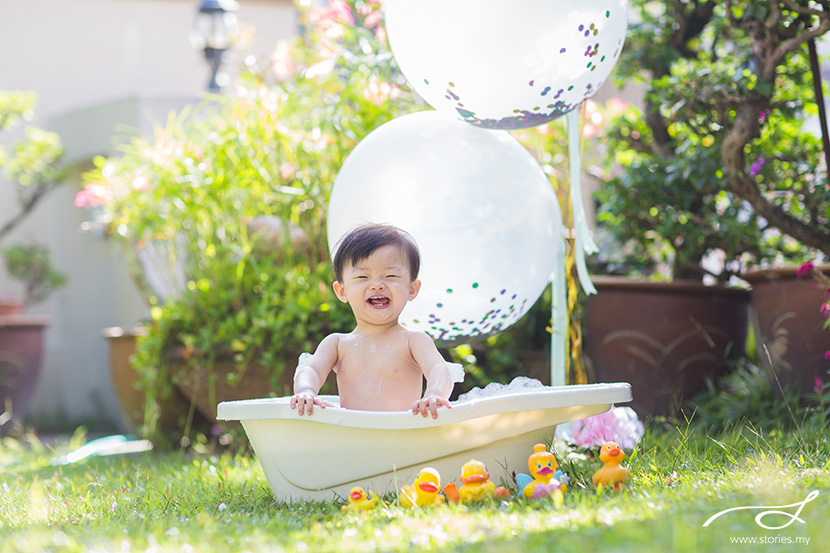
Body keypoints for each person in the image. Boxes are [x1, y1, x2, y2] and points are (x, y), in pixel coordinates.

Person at [290, 223, 458, 419]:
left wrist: (434, 395)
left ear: (412, 289)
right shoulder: (337, 344)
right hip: (356, 435)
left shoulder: (414, 342)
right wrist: (306, 391)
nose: (377, 285)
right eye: (362, 276)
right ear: (342, 291)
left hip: (401, 434)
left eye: (390, 276)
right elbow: (311, 369)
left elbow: (440, 369)